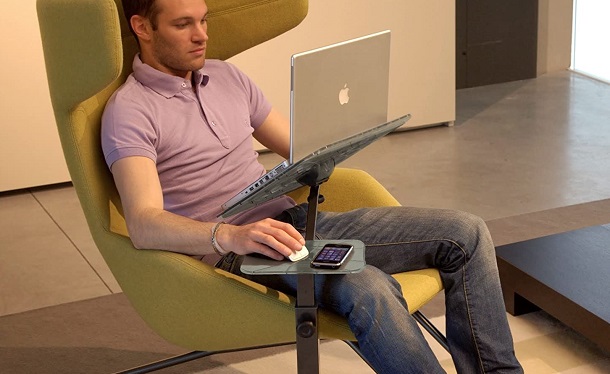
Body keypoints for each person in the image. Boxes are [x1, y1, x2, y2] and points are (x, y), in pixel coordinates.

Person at [101, 0, 523, 372]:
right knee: (367, 285)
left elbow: (297, 147)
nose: (202, 36)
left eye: (205, 20)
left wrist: (347, 129)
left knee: (466, 232)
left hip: (298, 223)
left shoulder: (226, 77)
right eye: (183, 24)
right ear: (142, 27)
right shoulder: (131, 111)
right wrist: (231, 235)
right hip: (236, 252)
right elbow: (143, 222)